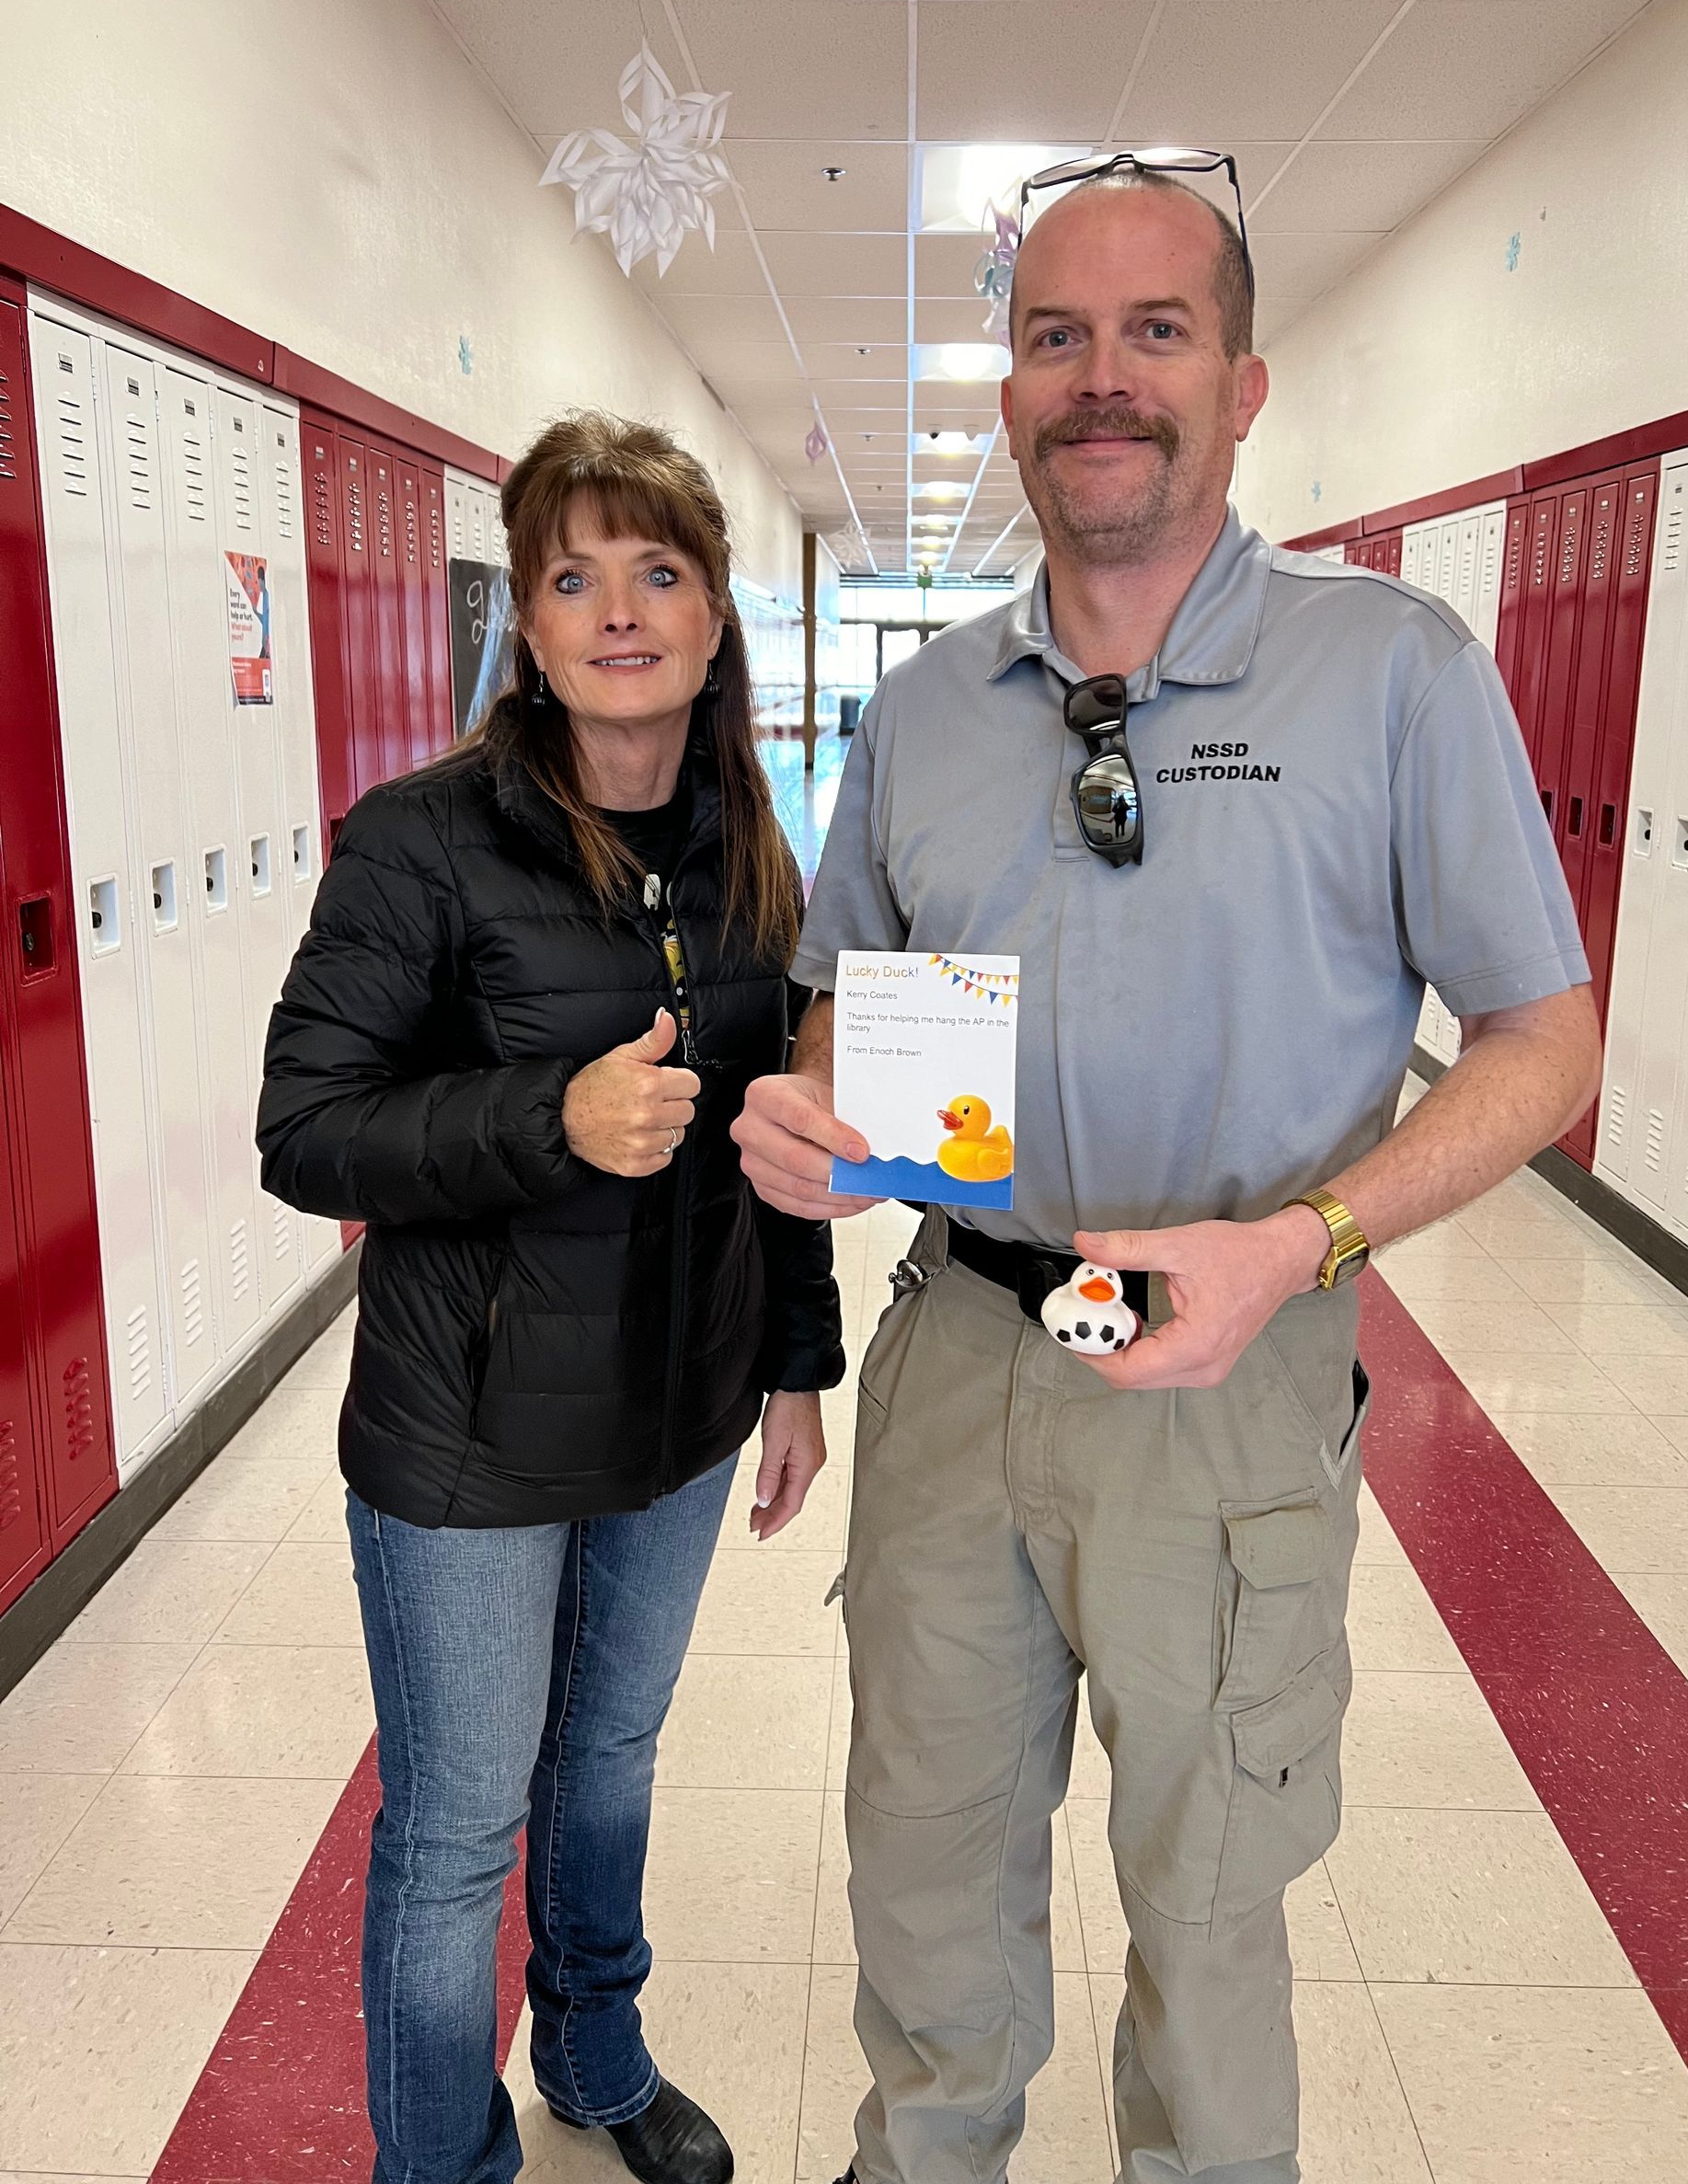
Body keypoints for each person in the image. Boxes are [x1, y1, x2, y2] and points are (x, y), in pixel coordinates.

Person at [733, 160, 1601, 2184]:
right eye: (1054, 338)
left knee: (1208, 1909)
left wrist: (1300, 1242)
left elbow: (1544, 1042)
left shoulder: (1390, 673)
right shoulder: (932, 711)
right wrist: (827, 1119)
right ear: (1010, 392)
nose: (1098, 379)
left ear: (1245, 380)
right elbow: (855, 1003)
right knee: (926, 1879)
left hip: (1233, 1378)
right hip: (962, 1351)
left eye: (1153, 332)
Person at [258, 411, 844, 2184]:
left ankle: (595, 2054)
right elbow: (308, 1126)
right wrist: (549, 1117)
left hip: (677, 1410)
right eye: (571, 576)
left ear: (716, 616)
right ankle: (444, 2163)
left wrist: (797, 1368)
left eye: (656, 572)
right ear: (525, 617)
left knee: (609, 1766)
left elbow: (782, 1133)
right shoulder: (426, 841)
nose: (615, 611)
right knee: (454, 1830)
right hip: (469, 1439)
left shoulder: (752, 837)